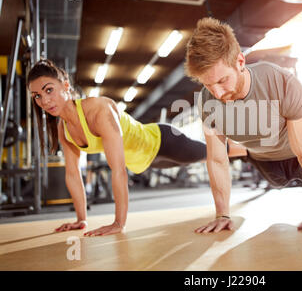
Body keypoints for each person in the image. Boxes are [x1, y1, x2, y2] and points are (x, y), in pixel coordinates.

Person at [184, 17, 302, 234]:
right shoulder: (207, 101)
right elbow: (216, 158)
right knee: (277, 180)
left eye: (222, 81)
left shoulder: (280, 82)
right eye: (208, 84)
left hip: (300, 150)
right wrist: (222, 214)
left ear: (240, 62)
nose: (218, 93)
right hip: (264, 160)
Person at [28, 59, 212, 237]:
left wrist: (118, 223)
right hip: (144, 163)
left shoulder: (98, 110)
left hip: (162, 142)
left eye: (49, 90)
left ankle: (240, 148)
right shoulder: (64, 129)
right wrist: (81, 219)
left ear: (66, 86)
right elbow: (72, 174)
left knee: (214, 153)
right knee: (208, 156)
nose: (44, 101)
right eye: (37, 96)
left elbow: (118, 169)